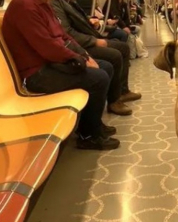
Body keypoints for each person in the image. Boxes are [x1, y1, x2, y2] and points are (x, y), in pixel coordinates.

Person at [2, 0, 120, 150]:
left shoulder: (43, 4)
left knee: (106, 67)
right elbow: (48, 47)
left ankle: (92, 124)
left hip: (51, 64)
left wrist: (84, 54)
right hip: (37, 74)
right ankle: (89, 136)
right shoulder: (24, 7)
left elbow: (63, 36)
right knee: (99, 78)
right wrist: (78, 58)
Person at [51, 0, 142, 116]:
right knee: (115, 55)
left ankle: (123, 91)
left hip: (86, 38)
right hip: (80, 45)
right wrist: (94, 41)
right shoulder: (54, 4)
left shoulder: (67, 2)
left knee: (123, 48)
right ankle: (114, 101)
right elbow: (67, 33)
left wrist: (90, 21)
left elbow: (77, 23)